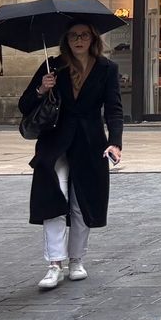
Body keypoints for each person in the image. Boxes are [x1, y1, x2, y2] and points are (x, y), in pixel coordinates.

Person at [18, 23, 124, 291]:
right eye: (73, 36)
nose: (79, 40)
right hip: (55, 141)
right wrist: (41, 89)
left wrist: (115, 142)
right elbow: (24, 104)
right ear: (66, 39)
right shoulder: (52, 66)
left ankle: (76, 260)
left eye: (84, 35)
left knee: (81, 203)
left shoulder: (107, 69)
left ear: (93, 38)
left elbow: (114, 109)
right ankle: (54, 263)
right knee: (55, 197)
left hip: (89, 142)